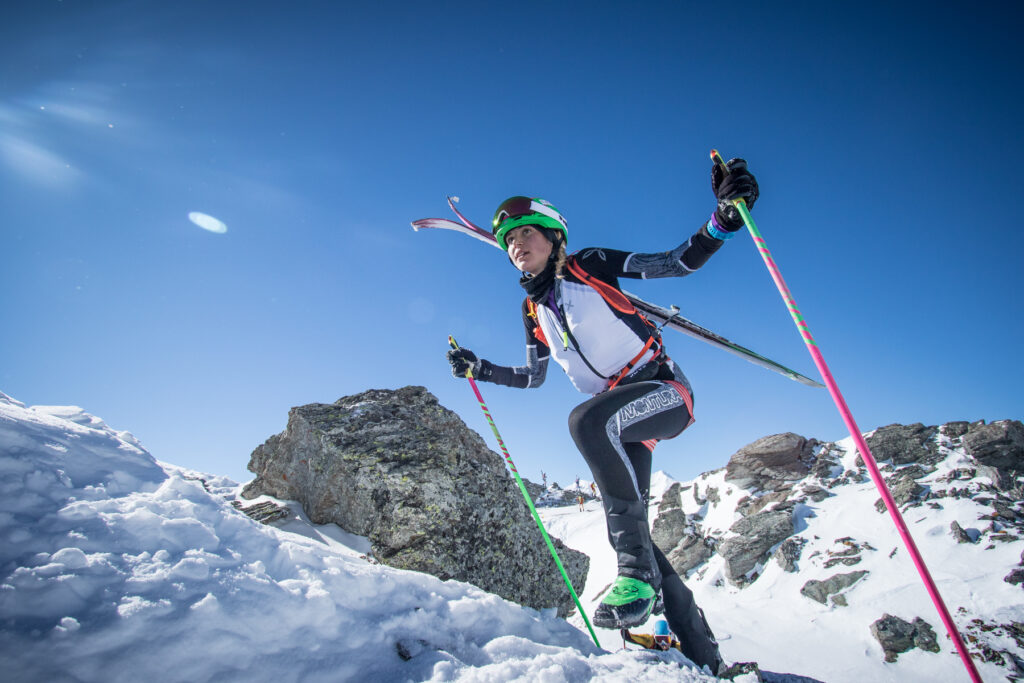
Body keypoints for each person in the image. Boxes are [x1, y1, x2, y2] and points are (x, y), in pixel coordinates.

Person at [446, 158, 759, 671]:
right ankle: (709, 662)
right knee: (645, 545)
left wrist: (723, 219)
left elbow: (676, 262)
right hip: (621, 424)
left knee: (586, 421)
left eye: (526, 233)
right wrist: (479, 368)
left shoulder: (587, 264)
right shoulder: (533, 310)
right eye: (508, 241)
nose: (515, 245)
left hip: (663, 392)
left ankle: (633, 580)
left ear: (553, 237)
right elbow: (533, 377)